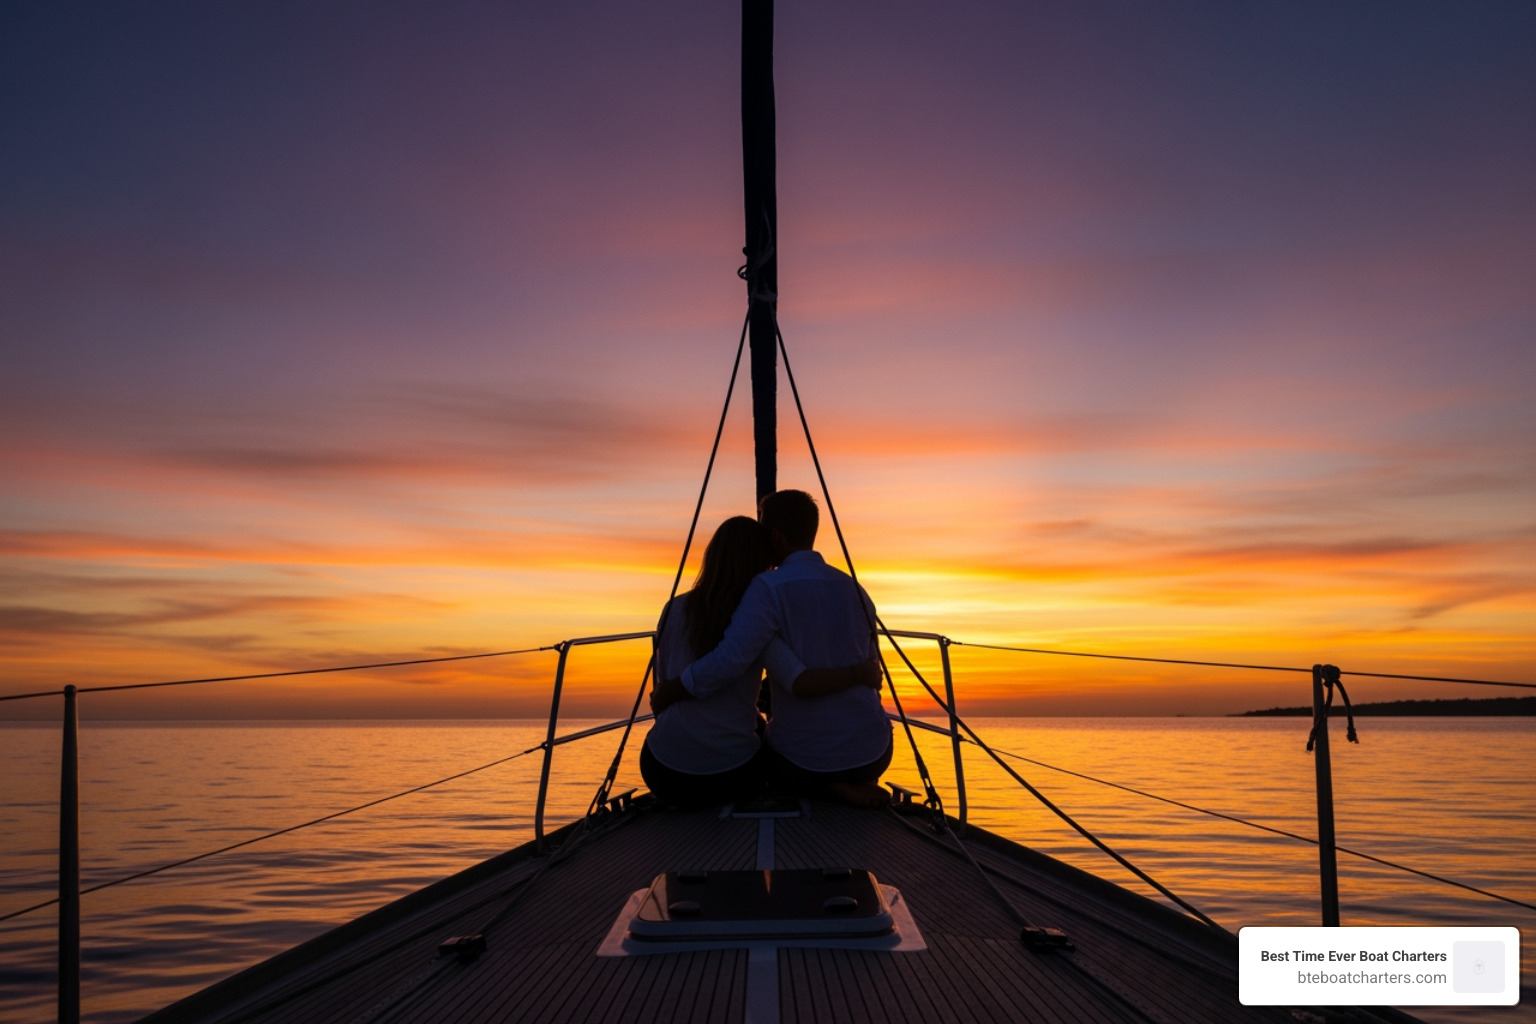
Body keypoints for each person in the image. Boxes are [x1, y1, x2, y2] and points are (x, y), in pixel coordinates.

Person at [673, 490, 893, 807]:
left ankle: (830, 786)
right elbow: (872, 670)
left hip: (804, 764)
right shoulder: (854, 588)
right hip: (874, 753)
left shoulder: (766, 588)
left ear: (774, 536)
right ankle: (849, 781)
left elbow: (730, 659)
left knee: (761, 746)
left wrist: (675, 689)